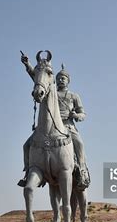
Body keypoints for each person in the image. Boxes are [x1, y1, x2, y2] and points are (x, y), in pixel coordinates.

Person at [18, 53, 90, 189]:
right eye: (59, 78)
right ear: (54, 80)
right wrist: (27, 64)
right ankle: (28, 173)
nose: (62, 80)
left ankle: (81, 171)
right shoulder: (52, 93)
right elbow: (37, 77)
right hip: (49, 125)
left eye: (64, 78)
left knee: (79, 143)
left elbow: (83, 113)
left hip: (68, 126)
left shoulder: (74, 96)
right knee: (26, 145)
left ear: (68, 80)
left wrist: (76, 115)